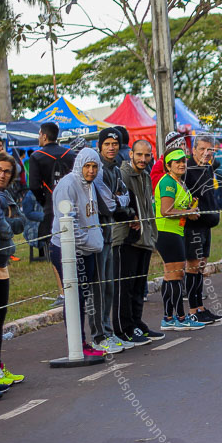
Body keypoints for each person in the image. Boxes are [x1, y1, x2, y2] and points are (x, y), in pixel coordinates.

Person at [49, 148, 106, 358]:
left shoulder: (91, 184)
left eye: (94, 167)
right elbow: (69, 222)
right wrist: (86, 243)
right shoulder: (68, 185)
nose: (91, 171)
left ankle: (82, 341)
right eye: (87, 166)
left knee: (83, 296)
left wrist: (95, 240)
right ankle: (77, 343)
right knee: (74, 297)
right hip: (68, 249)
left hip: (87, 249)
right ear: (79, 165)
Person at [114, 140, 164, 344]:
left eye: (147, 155)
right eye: (139, 155)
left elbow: (148, 208)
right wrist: (131, 217)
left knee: (138, 286)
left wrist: (151, 235)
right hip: (128, 239)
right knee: (125, 287)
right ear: (131, 154)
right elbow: (118, 203)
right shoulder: (123, 174)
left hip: (144, 238)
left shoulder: (145, 176)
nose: (143, 159)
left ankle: (137, 324)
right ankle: (124, 328)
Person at [92, 127, 135, 354]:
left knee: (109, 285)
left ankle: (108, 332)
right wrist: (118, 201)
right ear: (100, 146)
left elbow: (125, 197)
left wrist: (118, 201)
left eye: (114, 144)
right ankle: (99, 336)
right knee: (99, 287)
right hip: (96, 235)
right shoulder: (97, 170)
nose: (111, 147)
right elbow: (108, 204)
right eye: (107, 143)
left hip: (110, 234)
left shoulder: (116, 170)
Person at [154, 149, 205, 330]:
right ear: (168, 166)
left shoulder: (179, 182)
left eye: (183, 160)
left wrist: (190, 210)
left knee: (171, 275)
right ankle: (181, 318)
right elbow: (165, 211)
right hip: (167, 232)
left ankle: (168, 318)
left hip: (176, 231)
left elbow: (180, 209)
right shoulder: (168, 181)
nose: (182, 164)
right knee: (176, 275)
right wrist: (188, 212)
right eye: (176, 161)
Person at [28, 122, 75, 306]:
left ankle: (63, 292)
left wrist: (44, 201)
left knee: (54, 248)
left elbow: (33, 185)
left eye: (39, 134)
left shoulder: (37, 157)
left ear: (44, 136)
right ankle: (74, 287)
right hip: (71, 204)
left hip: (50, 206)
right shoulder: (71, 154)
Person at [182, 135, 222, 325]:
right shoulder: (187, 169)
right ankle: (192, 309)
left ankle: (200, 307)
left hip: (207, 224)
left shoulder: (206, 167)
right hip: (193, 226)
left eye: (210, 150)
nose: (206, 153)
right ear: (193, 150)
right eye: (202, 149)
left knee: (202, 266)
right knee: (193, 266)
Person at [0, 152, 26, 393]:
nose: (2, 174)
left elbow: (21, 223)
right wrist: (9, 222)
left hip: (3, 262)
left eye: (7, 171)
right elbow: (7, 229)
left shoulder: (6, 195)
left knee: (0, 317)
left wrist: (10, 221)